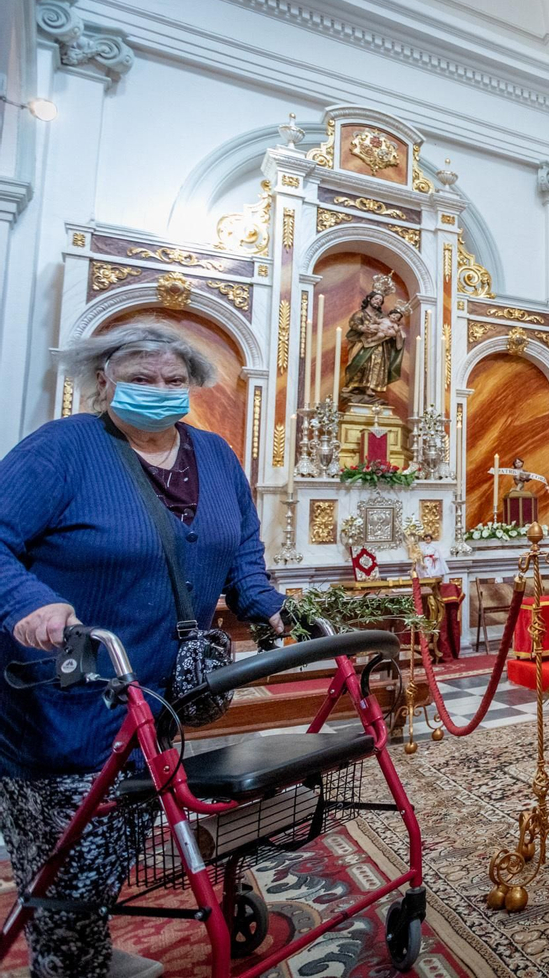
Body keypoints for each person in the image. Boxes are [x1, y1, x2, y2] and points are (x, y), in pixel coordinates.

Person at [0, 324, 285, 978]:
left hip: (159, 700)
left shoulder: (215, 455)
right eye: (139, 378)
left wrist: (263, 600)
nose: (157, 390)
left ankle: (88, 949)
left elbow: (241, 545)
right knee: (69, 859)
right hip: (64, 701)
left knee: (121, 834)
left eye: (171, 379)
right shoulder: (61, 450)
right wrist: (26, 603)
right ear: (104, 381)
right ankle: (69, 959)